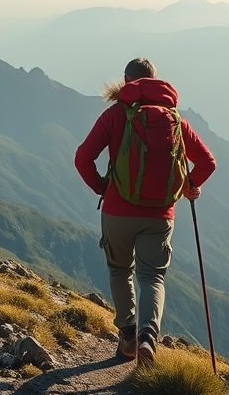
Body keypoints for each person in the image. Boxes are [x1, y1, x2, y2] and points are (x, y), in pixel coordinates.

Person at [74, 58, 216, 365]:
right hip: (160, 214)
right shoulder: (176, 120)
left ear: (127, 81)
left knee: (119, 270)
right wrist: (189, 186)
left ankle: (128, 337)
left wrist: (103, 188)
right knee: (153, 278)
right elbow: (207, 163)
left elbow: (83, 158)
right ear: (155, 82)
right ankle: (149, 338)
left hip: (117, 211)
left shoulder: (114, 116)